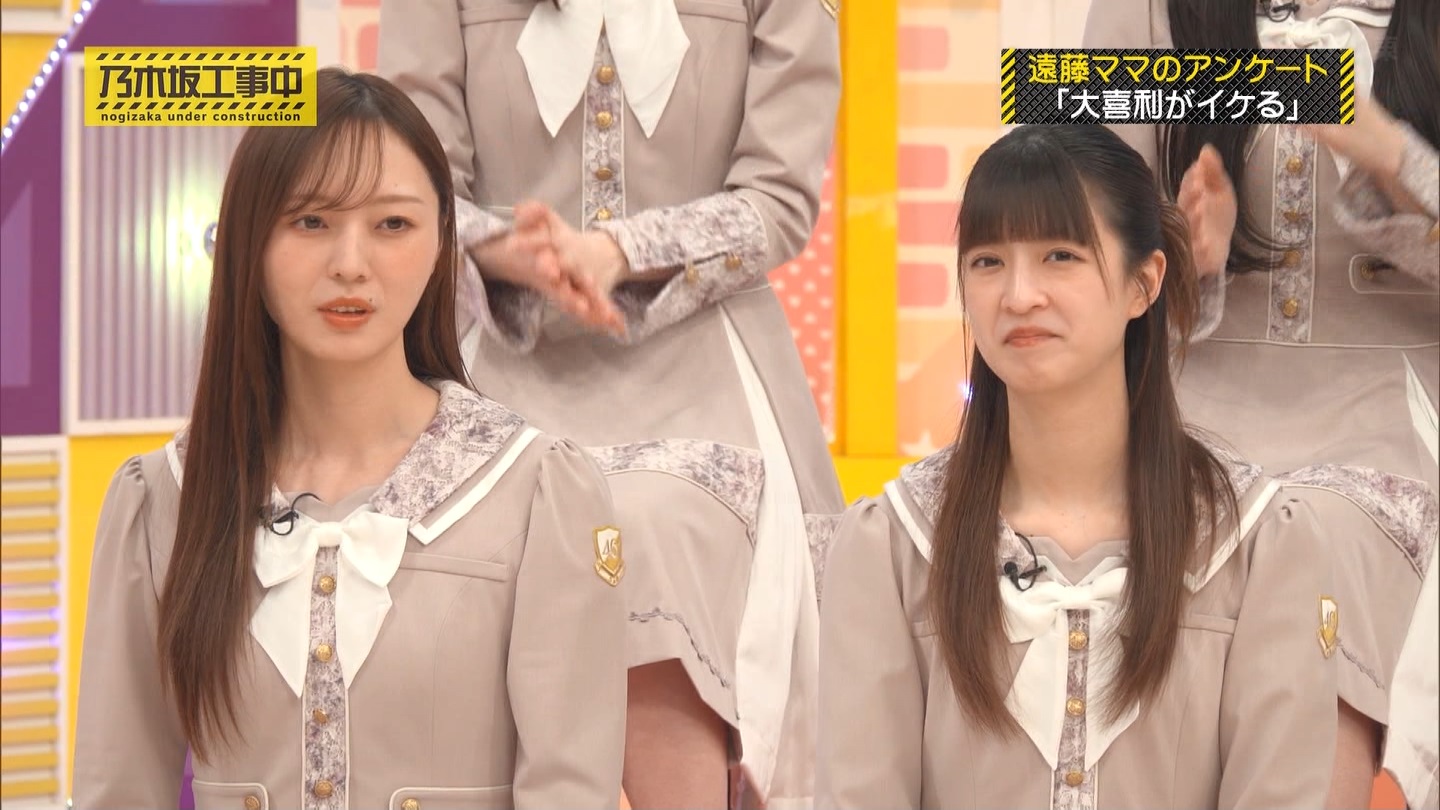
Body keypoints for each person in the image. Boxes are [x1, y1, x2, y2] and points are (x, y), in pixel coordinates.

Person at [814, 124, 1438, 808]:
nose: (1018, 296)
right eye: (987, 261)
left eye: (1059, 256)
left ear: (1144, 284)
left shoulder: (1260, 545)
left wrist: (1389, 150)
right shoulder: (893, 546)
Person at [72, 67, 627, 810]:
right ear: (247, 243)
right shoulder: (163, 498)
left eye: (392, 224)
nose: (350, 265)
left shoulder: (535, 492)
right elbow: (117, 791)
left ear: (442, 243)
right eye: (311, 222)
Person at [378, 2, 845, 806]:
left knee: (658, 529)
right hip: (496, 358)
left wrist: (618, 252)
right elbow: (411, 184)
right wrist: (511, 252)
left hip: (709, 367)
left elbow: (779, 197)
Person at [1084, 2, 1440, 805]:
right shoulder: (1144, 14)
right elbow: (1067, 236)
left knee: (1315, 537)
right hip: (1188, 413)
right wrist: (1177, 253)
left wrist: (1394, 155)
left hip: (1394, 416)